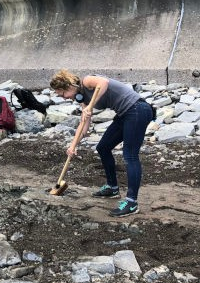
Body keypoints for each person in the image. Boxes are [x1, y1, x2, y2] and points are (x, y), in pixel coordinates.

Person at [50, 69, 153, 217]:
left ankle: (131, 203)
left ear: (69, 86)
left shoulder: (87, 81)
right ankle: (112, 187)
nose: (64, 98)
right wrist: (72, 146)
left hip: (138, 110)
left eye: (63, 94)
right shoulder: (82, 99)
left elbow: (103, 83)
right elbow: (84, 125)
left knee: (130, 155)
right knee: (103, 148)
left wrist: (90, 107)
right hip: (125, 114)